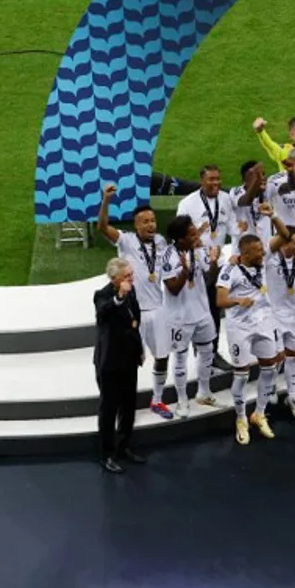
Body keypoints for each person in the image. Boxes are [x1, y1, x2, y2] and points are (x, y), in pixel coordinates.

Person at [97, 184, 172, 419]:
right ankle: (122, 405)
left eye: (152, 220)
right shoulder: (126, 241)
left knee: (162, 357)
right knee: (128, 363)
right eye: (145, 222)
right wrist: (106, 201)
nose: (150, 225)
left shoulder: (161, 242)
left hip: (158, 309)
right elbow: (102, 227)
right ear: (136, 225)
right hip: (132, 313)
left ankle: (157, 400)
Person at [216, 234, 280, 445]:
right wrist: (237, 301)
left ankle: (259, 414)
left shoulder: (263, 262)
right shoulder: (229, 270)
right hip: (240, 328)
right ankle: (241, 418)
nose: (262, 253)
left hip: (263, 322)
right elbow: (220, 299)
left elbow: (284, 237)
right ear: (244, 254)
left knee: (270, 367)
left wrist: (272, 216)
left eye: (262, 249)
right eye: (257, 251)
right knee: (242, 375)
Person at [161, 215, 220, 417]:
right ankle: (182, 399)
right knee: (180, 358)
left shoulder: (199, 249)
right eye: (192, 233)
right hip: (179, 317)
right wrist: (185, 270)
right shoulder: (168, 256)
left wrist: (213, 263)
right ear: (180, 238)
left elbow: (210, 279)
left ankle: (203, 391)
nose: (197, 235)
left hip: (202, 311)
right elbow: (173, 289)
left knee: (207, 352)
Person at [176, 165, 234, 368]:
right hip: (195, 263)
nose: (215, 183)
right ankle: (197, 350)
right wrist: (199, 237)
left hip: (216, 264)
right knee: (196, 308)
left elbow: (234, 227)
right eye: (211, 179)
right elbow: (179, 235)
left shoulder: (226, 199)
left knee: (214, 307)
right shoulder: (187, 204)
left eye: (218, 179)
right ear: (202, 180)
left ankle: (213, 353)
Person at [93, 258, 147, 473]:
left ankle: (124, 447)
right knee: (109, 409)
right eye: (127, 276)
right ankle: (106, 454)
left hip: (129, 359)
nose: (131, 279)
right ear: (114, 279)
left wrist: (139, 348)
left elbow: (135, 321)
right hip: (110, 362)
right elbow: (103, 313)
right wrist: (119, 297)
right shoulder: (103, 295)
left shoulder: (131, 292)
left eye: (131, 275)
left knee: (128, 406)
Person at [265, 226, 295, 422]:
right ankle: (271, 385)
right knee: (276, 357)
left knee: (292, 358)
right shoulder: (270, 258)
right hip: (274, 315)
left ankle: (292, 397)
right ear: (285, 243)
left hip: (293, 314)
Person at [231, 160, 273, 243]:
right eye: (255, 176)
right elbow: (246, 201)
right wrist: (257, 181)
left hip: (267, 247)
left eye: (263, 174)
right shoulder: (235, 192)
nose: (262, 178)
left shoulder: (269, 189)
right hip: (244, 249)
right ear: (245, 180)